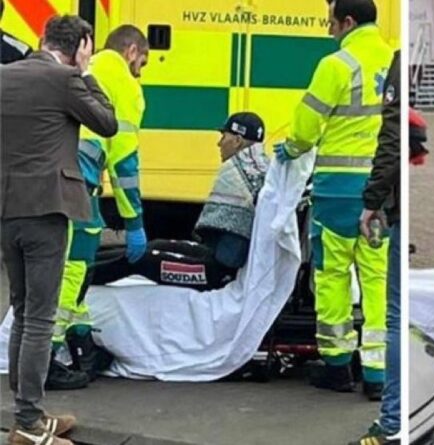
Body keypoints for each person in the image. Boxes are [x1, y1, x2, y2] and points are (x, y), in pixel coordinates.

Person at [0, 15, 117, 445]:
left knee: (21, 309)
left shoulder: (4, 75)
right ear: (81, 45)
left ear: (42, 38)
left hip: (6, 211)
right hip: (47, 210)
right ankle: (28, 425)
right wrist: (86, 72)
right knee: (39, 318)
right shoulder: (66, 78)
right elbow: (107, 122)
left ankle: (27, 415)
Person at [274, 0, 393, 400]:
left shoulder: (337, 65)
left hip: (337, 192)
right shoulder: (392, 60)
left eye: (331, 24)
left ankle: (338, 367)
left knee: (332, 277)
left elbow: (306, 127)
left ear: (347, 21)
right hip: (380, 192)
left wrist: (290, 150)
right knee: (377, 280)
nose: (329, 32)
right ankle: (378, 374)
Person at [46, 24, 150, 391]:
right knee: (74, 271)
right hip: (78, 186)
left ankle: (83, 343)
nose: (142, 71)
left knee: (75, 270)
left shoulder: (81, 70)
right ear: (132, 51)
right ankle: (49, 357)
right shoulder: (126, 85)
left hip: (49, 182)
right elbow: (124, 164)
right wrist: (134, 220)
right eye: (144, 62)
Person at [89, 112, 270, 292]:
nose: (219, 143)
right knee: (154, 245)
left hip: (215, 273)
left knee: (141, 260)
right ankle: (81, 265)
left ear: (237, 141)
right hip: (214, 259)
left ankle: (74, 280)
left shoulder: (241, 177)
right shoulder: (257, 170)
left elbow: (230, 257)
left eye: (223, 136)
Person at [350, 49, 402, 445]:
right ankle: (384, 398)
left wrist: (373, 200)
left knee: (395, 317)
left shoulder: (337, 64)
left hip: (379, 200)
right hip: (390, 200)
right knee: (381, 297)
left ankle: (392, 423)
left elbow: (392, 140)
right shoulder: (384, 57)